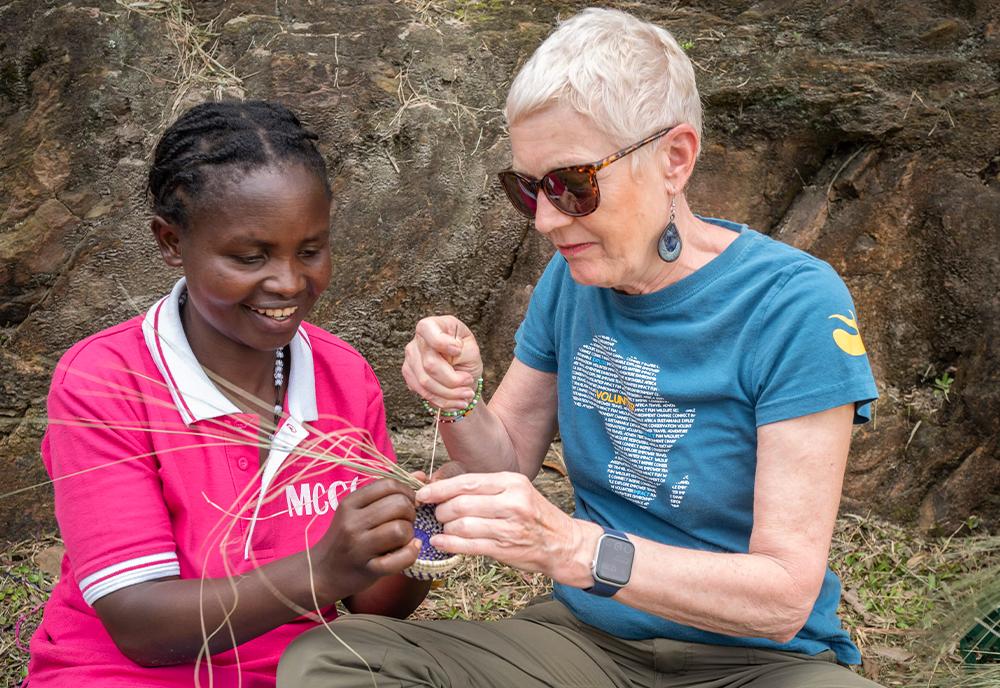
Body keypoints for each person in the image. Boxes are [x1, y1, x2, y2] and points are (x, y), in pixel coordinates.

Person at [278, 7, 883, 688]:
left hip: (757, 662)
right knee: (335, 658)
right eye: (528, 188)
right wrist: (461, 396)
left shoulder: (793, 302)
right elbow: (505, 458)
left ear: (674, 159)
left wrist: (571, 547)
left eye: (572, 184)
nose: (545, 218)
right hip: (587, 642)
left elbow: (780, 598)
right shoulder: (572, 280)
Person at [26, 100, 430, 687]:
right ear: (171, 242)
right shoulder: (107, 381)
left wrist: (429, 537)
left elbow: (374, 606)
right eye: (249, 256)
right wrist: (323, 568)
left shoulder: (343, 377)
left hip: (307, 672)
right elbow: (141, 630)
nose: (289, 282)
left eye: (311, 250)